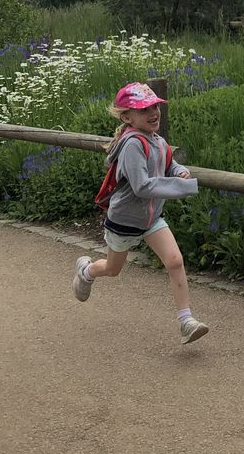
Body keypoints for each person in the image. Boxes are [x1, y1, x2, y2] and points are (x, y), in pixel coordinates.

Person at [73, 82, 209, 345]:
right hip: (124, 221)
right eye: (144, 109)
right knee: (112, 269)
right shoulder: (133, 144)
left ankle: (186, 321)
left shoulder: (158, 141)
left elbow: (168, 162)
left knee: (175, 261)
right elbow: (142, 186)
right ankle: (86, 271)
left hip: (151, 219)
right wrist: (184, 186)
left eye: (155, 106)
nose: (154, 112)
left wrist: (179, 171)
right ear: (127, 117)